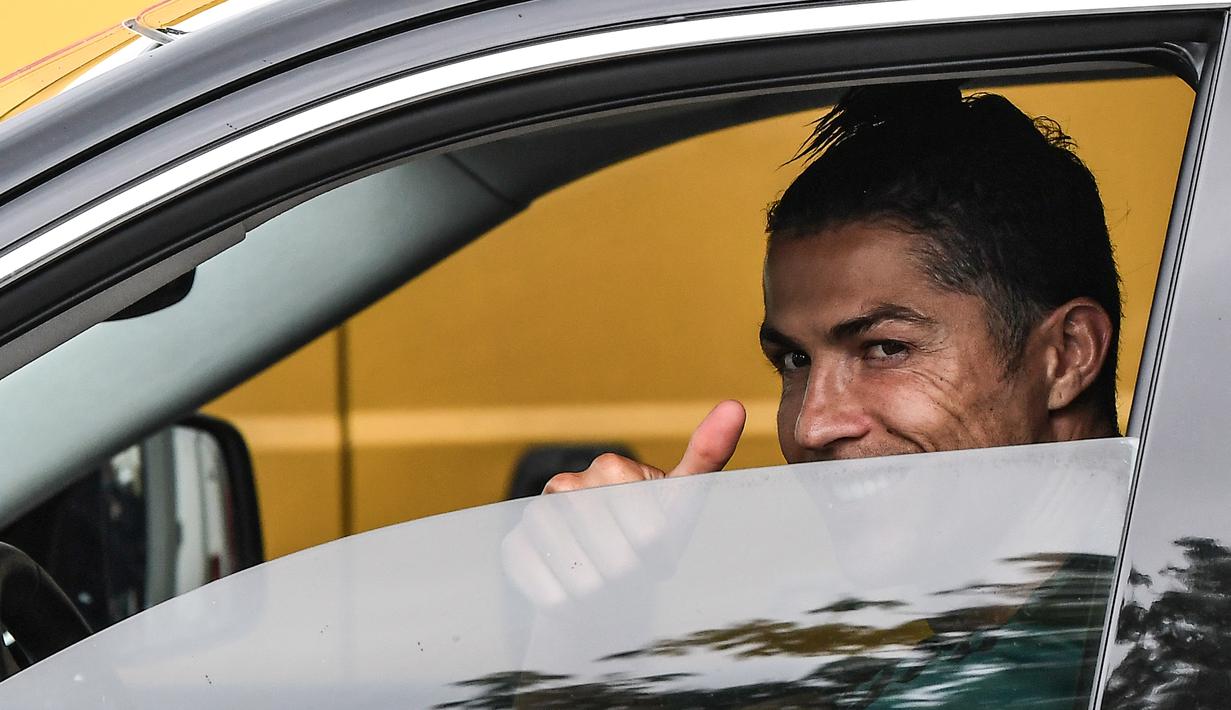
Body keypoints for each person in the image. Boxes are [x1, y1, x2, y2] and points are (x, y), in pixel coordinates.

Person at [542, 81, 1120, 494]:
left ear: (1067, 355)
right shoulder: (1095, 635)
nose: (811, 426)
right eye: (794, 359)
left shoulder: (1163, 645)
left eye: (886, 349)